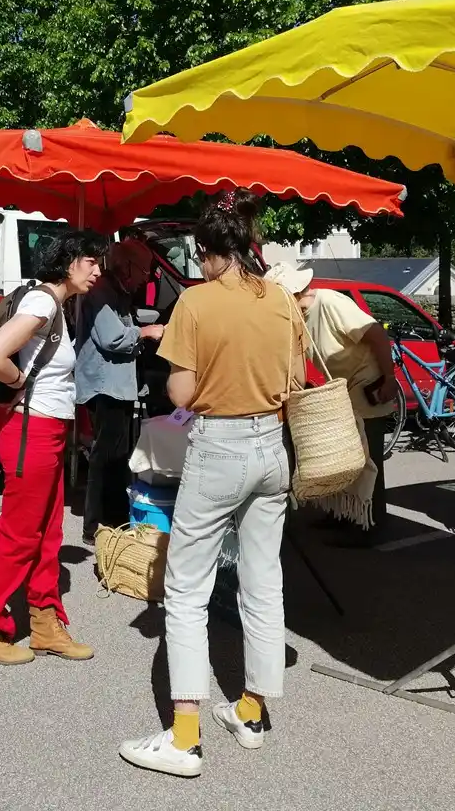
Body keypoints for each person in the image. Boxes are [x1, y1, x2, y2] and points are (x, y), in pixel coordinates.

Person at [120, 191, 303, 778]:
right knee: (263, 580)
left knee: (187, 589)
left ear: (207, 251)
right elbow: (296, 377)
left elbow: (179, 393)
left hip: (219, 446)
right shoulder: (281, 299)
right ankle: (251, 710)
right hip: (272, 447)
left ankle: (185, 735)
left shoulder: (195, 304)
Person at [0, 229, 107, 666]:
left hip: (44, 431)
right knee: (19, 534)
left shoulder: (53, 303)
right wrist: (19, 381)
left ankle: (46, 624)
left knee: (47, 532)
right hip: (32, 430)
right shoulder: (44, 302)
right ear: (69, 262)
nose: (98, 270)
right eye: (91, 262)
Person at [265, 262, 400, 546]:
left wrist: (389, 377)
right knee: (341, 459)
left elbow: (376, 333)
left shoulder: (329, 303)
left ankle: (368, 525)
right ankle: (343, 514)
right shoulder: (299, 315)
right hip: (343, 390)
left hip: (366, 386)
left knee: (367, 460)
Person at [75, 238, 165, 544]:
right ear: (126, 266)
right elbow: (112, 338)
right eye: (144, 270)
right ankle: (96, 525)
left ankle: (114, 520)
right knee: (106, 457)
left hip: (118, 386)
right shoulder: (101, 292)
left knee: (118, 457)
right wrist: (147, 331)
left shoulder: (120, 293)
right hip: (105, 386)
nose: (146, 277)